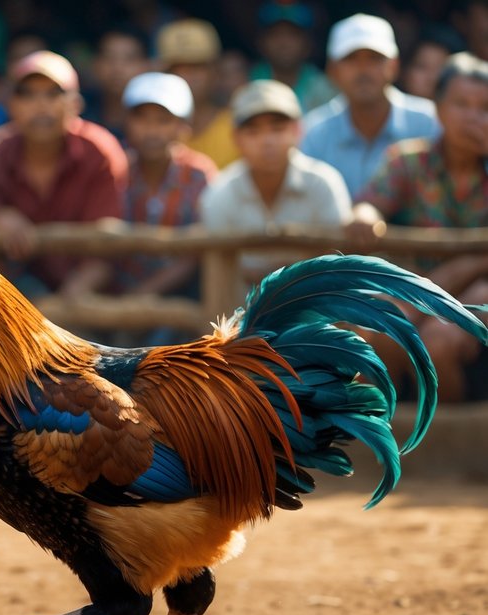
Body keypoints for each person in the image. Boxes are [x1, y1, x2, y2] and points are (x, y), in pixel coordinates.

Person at [347, 53, 488, 402]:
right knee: (376, 331)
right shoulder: (408, 160)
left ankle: (448, 444)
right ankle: (380, 436)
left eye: (484, 107)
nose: (473, 116)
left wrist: (451, 276)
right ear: (438, 109)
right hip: (413, 284)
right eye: (461, 104)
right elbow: (370, 204)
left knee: (439, 344)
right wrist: (364, 216)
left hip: (476, 291)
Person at [0, 50, 127, 298]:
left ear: (76, 104)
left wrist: (63, 310)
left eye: (53, 93)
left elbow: (106, 252)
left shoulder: (100, 153)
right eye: (26, 94)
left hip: (90, 301)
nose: (40, 105)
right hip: (18, 299)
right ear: (10, 104)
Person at [200, 80, 352, 284]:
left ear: (297, 131)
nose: (267, 141)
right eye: (253, 131)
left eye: (277, 128)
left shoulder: (323, 183)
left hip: (318, 311)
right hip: (242, 313)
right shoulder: (219, 194)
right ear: (236, 139)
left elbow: (338, 260)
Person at [298, 14, 440, 198]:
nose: (363, 70)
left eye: (374, 58)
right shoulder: (313, 133)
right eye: (351, 59)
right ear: (332, 70)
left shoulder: (430, 123)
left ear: (394, 66)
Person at [115, 72, 217, 300]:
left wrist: (145, 293)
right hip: (117, 292)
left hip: (181, 298)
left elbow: (196, 254)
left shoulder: (199, 175)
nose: (151, 130)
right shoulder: (116, 169)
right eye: (142, 119)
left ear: (183, 127)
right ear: (127, 123)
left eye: (163, 120)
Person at [157, 19, 238, 168]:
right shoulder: (154, 131)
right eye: (180, 68)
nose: (190, 77)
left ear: (215, 72)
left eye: (198, 67)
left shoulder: (236, 127)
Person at [251, 1, 336, 113]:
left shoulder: (326, 90)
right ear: (261, 42)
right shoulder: (246, 83)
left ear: (308, 43)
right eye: (275, 34)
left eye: (293, 35)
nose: (283, 43)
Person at [82, 26, 150, 145]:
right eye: (109, 58)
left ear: (146, 66)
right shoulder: (80, 110)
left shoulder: (157, 114)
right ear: (95, 64)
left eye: (129, 59)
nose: (117, 68)